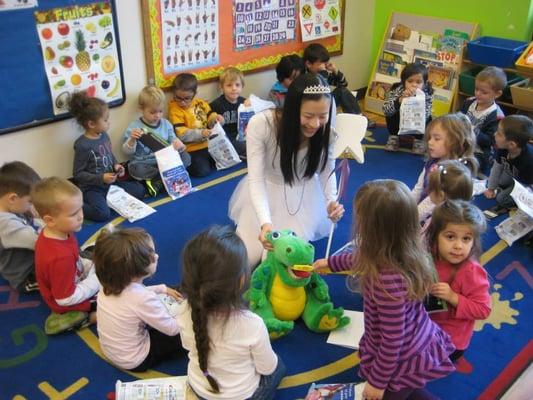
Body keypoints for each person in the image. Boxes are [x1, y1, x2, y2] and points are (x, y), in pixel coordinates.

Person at [314, 180, 455, 400]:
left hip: (401, 354)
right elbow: (360, 257)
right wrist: (331, 264)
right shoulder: (400, 248)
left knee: (393, 392)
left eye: (360, 218)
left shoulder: (387, 281)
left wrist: (378, 383)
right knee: (409, 387)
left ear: (374, 229)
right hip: (413, 337)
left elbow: (392, 340)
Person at [228, 73, 345, 267]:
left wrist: (331, 200)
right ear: (292, 109)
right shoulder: (262, 125)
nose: (315, 124)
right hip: (265, 191)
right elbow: (256, 179)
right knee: (244, 260)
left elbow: (326, 171)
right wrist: (265, 222)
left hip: (301, 201)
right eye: (308, 116)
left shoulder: (327, 133)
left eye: (322, 116)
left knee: (277, 262)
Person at [177, 225, 286, 400]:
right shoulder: (252, 324)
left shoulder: (183, 309)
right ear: (242, 279)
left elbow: (186, 346)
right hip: (242, 395)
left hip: (199, 388)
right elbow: (267, 368)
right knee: (279, 366)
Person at [94, 227, 186, 371]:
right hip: (138, 359)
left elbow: (134, 295)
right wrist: (190, 311)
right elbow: (173, 329)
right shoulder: (142, 298)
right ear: (136, 270)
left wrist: (162, 289)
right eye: (152, 256)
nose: (157, 256)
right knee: (190, 331)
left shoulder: (108, 283)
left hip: (113, 350)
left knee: (171, 293)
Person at [427, 200, 491, 362]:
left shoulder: (471, 271)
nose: (458, 246)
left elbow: (483, 309)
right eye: (450, 237)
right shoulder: (431, 255)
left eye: (466, 239)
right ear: (435, 237)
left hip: (450, 341)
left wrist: (453, 297)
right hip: (428, 325)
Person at [32, 178, 99, 332]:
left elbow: (75, 258)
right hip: (67, 301)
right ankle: (87, 318)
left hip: (71, 275)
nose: (81, 216)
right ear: (50, 221)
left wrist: (91, 265)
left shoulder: (58, 232)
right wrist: (97, 279)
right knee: (116, 298)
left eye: (81, 209)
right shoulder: (59, 258)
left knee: (100, 252)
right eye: (73, 214)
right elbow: (64, 299)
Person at [69, 91, 145, 221]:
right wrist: (101, 178)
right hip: (92, 188)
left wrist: (117, 166)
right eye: (105, 120)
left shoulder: (104, 135)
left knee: (140, 190)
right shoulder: (82, 145)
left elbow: (110, 155)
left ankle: (107, 201)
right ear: (91, 124)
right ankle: (74, 205)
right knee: (102, 214)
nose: (108, 123)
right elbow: (78, 174)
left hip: (111, 185)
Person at [123, 85, 191, 196]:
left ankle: (157, 181)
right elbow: (127, 152)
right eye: (153, 112)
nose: (157, 115)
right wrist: (132, 140)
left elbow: (173, 140)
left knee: (186, 157)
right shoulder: (134, 126)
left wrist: (180, 145)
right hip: (145, 164)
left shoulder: (166, 124)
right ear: (141, 109)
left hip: (165, 161)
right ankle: (166, 179)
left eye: (160, 111)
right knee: (134, 168)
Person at [412, 113, 476, 223]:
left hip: (438, 218)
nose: (430, 142)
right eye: (430, 137)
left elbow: (431, 204)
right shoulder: (432, 161)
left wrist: (409, 220)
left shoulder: (453, 173)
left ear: (455, 142)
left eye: (436, 139)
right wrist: (406, 207)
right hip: (422, 211)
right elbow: (418, 188)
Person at [168, 73, 222, 177]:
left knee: (223, 161)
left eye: (187, 98)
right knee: (202, 171)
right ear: (174, 93)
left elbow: (211, 116)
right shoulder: (175, 109)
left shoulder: (201, 103)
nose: (182, 102)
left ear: (195, 94)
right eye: (178, 98)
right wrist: (201, 133)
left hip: (208, 144)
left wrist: (216, 119)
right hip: (191, 149)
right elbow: (181, 134)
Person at [0, 161, 41, 293]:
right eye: (30, 202)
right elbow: (40, 243)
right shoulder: (6, 224)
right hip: (25, 276)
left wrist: (28, 211)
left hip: (28, 261)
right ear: (12, 198)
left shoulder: (9, 207)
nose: (32, 206)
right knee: (64, 274)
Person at [460, 66, 506, 175]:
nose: (478, 94)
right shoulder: (469, 102)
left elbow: (490, 141)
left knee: (464, 168)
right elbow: (458, 117)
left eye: (484, 92)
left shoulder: (496, 116)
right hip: (462, 143)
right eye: (476, 89)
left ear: (497, 94)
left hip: (478, 152)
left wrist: (474, 131)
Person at [484, 115, 533, 211]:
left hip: (526, 184)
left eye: (499, 134)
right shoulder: (502, 147)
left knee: (501, 199)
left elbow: (524, 189)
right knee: (496, 181)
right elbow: (496, 167)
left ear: (511, 144)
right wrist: (491, 188)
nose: (495, 134)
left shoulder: (528, 161)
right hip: (513, 174)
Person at [383, 63, 434, 154]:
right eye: (410, 81)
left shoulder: (427, 93)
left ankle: (419, 140)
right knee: (392, 112)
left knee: (430, 118)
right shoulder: (396, 90)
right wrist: (399, 101)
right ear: (403, 82)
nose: (414, 85)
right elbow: (386, 110)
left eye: (418, 82)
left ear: (424, 83)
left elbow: (426, 115)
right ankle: (394, 137)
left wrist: (418, 103)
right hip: (400, 122)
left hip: (417, 121)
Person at [303, 43, 363, 116]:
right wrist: (323, 72)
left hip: (326, 102)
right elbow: (319, 91)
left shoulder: (323, 73)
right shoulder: (305, 77)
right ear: (308, 64)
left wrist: (335, 70)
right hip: (314, 107)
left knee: (342, 90)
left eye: (325, 64)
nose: (324, 67)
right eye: (321, 64)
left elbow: (343, 84)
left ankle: (359, 117)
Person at [421, 157, 477, 235]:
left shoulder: (437, 223)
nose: (427, 190)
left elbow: (424, 243)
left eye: (429, 186)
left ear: (441, 195)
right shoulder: (455, 217)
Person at [209, 67, 250, 159]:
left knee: (258, 142)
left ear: (242, 86)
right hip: (226, 138)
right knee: (246, 147)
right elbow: (210, 125)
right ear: (222, 87)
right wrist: (215, 118)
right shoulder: (216, 104)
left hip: (241, 135)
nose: (234, 88)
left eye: (237, 85)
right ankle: (242, 154)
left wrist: (251, 107)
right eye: (229, 85)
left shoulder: (244, 102)